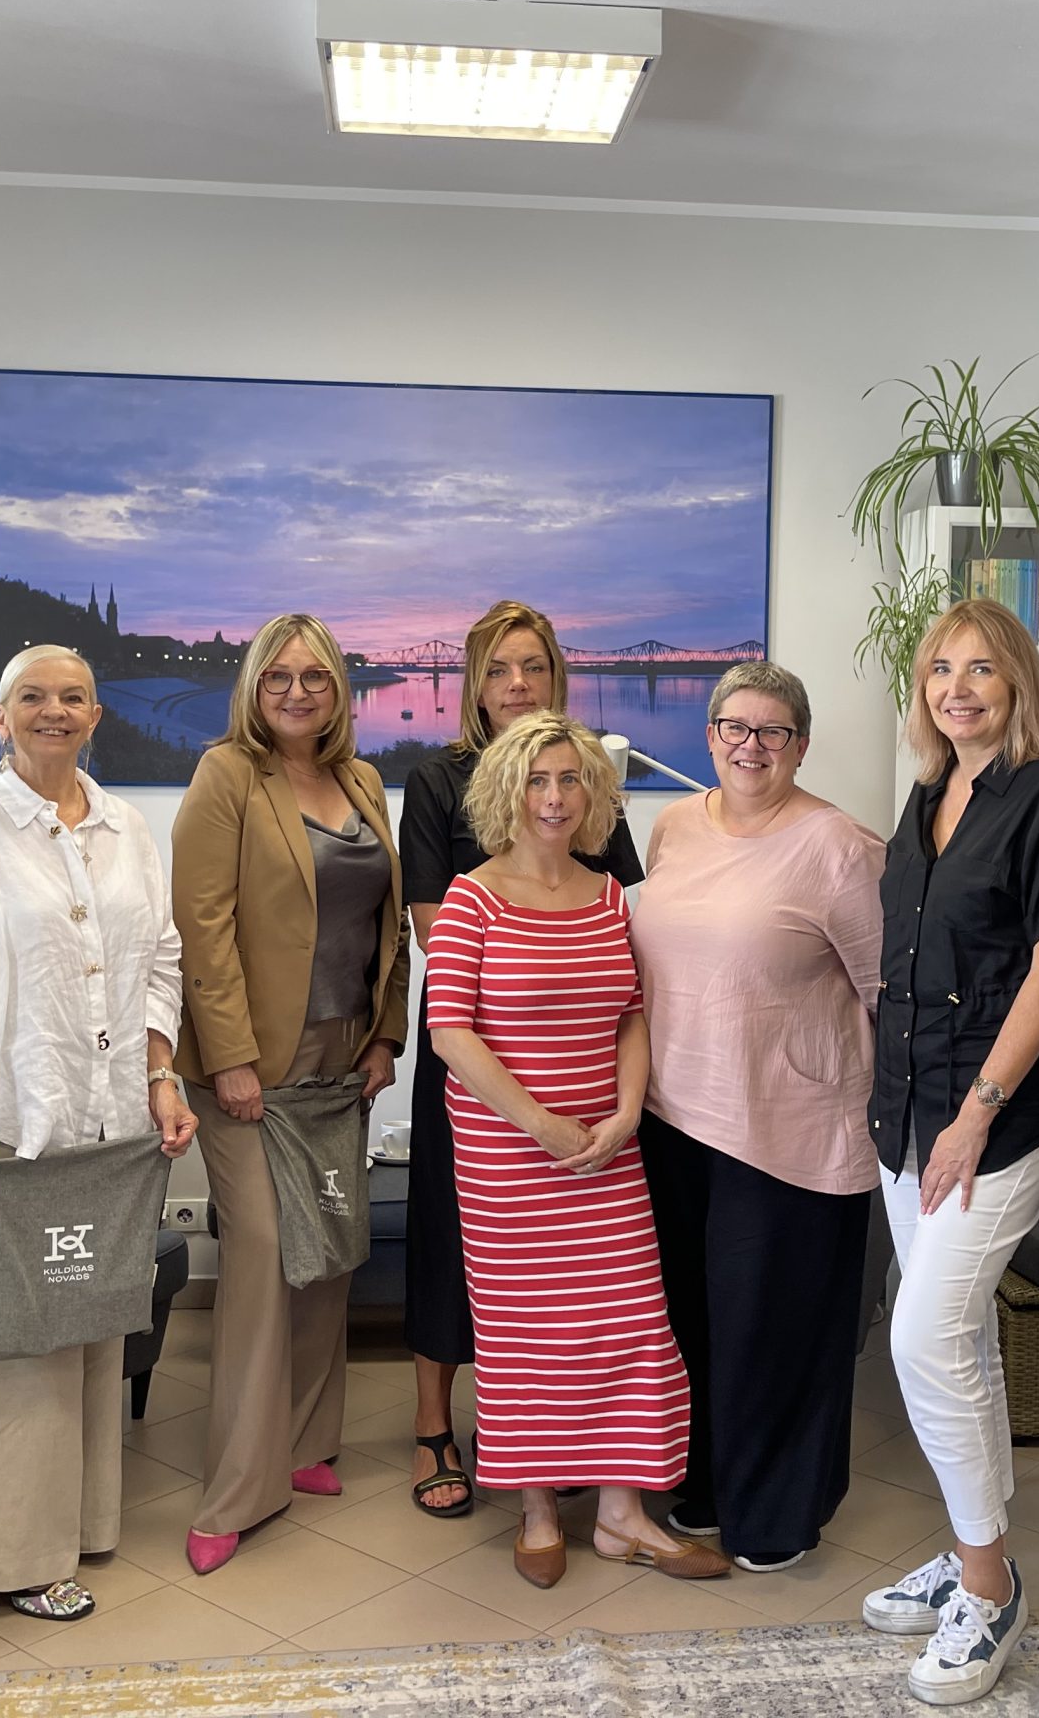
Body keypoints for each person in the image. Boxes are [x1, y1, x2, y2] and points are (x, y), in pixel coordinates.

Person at [0, 644, 194, 1623]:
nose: (53, 710)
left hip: (102, 1125)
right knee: (6, 1350)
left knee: (83, 1326)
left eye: (72, 697)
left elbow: (160, 963)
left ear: (96, 716)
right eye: (32, 696)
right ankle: (0, 1554)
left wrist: (159, 1076)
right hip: (2, 1130)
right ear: (1, 716)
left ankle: (77, 1524)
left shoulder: (128, 828)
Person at [856, 596, 1039, 1708]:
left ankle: (990, 1588)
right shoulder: (926, 796)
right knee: (959, 1342)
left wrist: (976, 1110)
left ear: (1018, 687)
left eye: (982, 670)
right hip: (906, 1114)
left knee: (922, 1337)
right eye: (940, 670)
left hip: (990, 1121)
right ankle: (975, 1556)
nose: (957, 689)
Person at [423, 710, 726, 1589]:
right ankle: (539, 1510)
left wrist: (627, 1113)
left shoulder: (608, 896)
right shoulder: (472, 899)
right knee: (527, 1337)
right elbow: (450, 1034)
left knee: (630, 1324)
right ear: (506, 791)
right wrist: (540, 1124)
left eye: (570, 780)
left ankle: (624, 1515)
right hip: (509, 1160)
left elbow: (631, 1011)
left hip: (605, 1150)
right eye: (537, 780)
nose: (554, 798)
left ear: (593, 794)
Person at [628, 660, 885, 1573]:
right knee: (692, 1322)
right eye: (735, 728)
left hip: (789, 1129)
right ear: (709, 736)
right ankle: (704, 1486)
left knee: (773, 1333)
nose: (752, 746)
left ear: (800, 747)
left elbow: (886, 992)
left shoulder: (839, 847)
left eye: (773, 732)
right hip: (672, 1119)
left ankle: (775, 1517)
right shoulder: (672, 826)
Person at [170, 613, 409, 1574]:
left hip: (343, 1055)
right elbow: (201, 923)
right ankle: (237, 1489)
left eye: (315, 677)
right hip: (251, 1066)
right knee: (266, 1258)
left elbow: (390, 922)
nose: (298, 692)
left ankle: (308, 1443)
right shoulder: (227, 774)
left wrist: (387, 1034)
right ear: (253, 687)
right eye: (279, 677)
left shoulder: (362, 781)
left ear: (338, 687)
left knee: (328, 1253)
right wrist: (228, 1056)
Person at [397, 600, 642, 1517]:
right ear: (473, 682)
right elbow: (436, 928)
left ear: (556, 677)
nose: (517, 684)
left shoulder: (586, 778)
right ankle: (434, 1427)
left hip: (582, 1053)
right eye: (499, 669)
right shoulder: (438, 780)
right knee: (450, 1239)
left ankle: (565, 1432)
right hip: (479, 1057)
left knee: (572, 1271)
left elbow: (627, 916)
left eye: (533, 666)